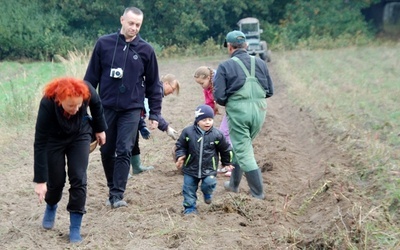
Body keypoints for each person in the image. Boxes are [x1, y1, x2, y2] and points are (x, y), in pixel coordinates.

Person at [84, 7, 163, 208]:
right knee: (106, 150)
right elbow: (90, 79)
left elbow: (154, 84)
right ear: (122, 20)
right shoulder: (104, 44)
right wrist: (82, 107)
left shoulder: (146, 50)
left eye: (138, 25)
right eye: (131, 23)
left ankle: (117, 195)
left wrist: (155, 113)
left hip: (132, 108)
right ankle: (112, 187)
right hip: (105, 107)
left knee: (124, 149)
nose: (134, 28)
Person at [33, 77, 107, 243]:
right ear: (60, 100)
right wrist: (40, 180)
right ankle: (51, 205)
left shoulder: (86, 91)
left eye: (79, 105)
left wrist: (101, 129)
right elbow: (40, 143)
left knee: (78, 177)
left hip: (80, 134)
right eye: (71, 106)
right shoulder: (47, 103)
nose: (76, 109)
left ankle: (75, 227)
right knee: (56, 180)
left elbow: (97, 105)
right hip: (54, 139)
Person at [214, 30, 274, 199]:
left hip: (239, 112)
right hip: (260, 111)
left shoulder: (225, 66)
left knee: (244, 151)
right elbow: (270, 91)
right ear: (246, 46)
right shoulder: (261, 63)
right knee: (243, 147)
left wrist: (233, 103)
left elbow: (219, 96)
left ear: (229, 47)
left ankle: (258, 193)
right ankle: (233, 184)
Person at [175, 104, 233, 215]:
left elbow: (225, 149)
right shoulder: (188, 132)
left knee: (209, 183)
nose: (207, 122)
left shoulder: (217, 135)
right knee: (188, 189)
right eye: (204, 120)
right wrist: (180, 156)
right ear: (197, 121)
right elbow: (180, 145)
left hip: (209, 168)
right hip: (191, 168)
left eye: (210, 119)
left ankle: (207, 193)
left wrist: (227, 162)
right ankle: (190, 208)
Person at [130, 74, 180, 175]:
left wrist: (141, 125)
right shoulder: (155, 91)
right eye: (173, 88)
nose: (172, 92)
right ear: (166, 83)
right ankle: (123, 171)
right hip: (129, 116)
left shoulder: (155, 90)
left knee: (134, 140)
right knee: (126, 142)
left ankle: (136, 167)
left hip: (135, 117)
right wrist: (167, 128)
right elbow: (151, 111)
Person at [194, 67, 232, 177]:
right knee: (224, 134)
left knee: (224, 134)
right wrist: (201, 121)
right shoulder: (207, 88)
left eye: (202, 83)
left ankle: (230, 165)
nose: (202, 86)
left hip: (236, 109)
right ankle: (227, 164)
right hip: (230, 110)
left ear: (209, 77)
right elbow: (209, 106)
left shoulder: (221, 82)